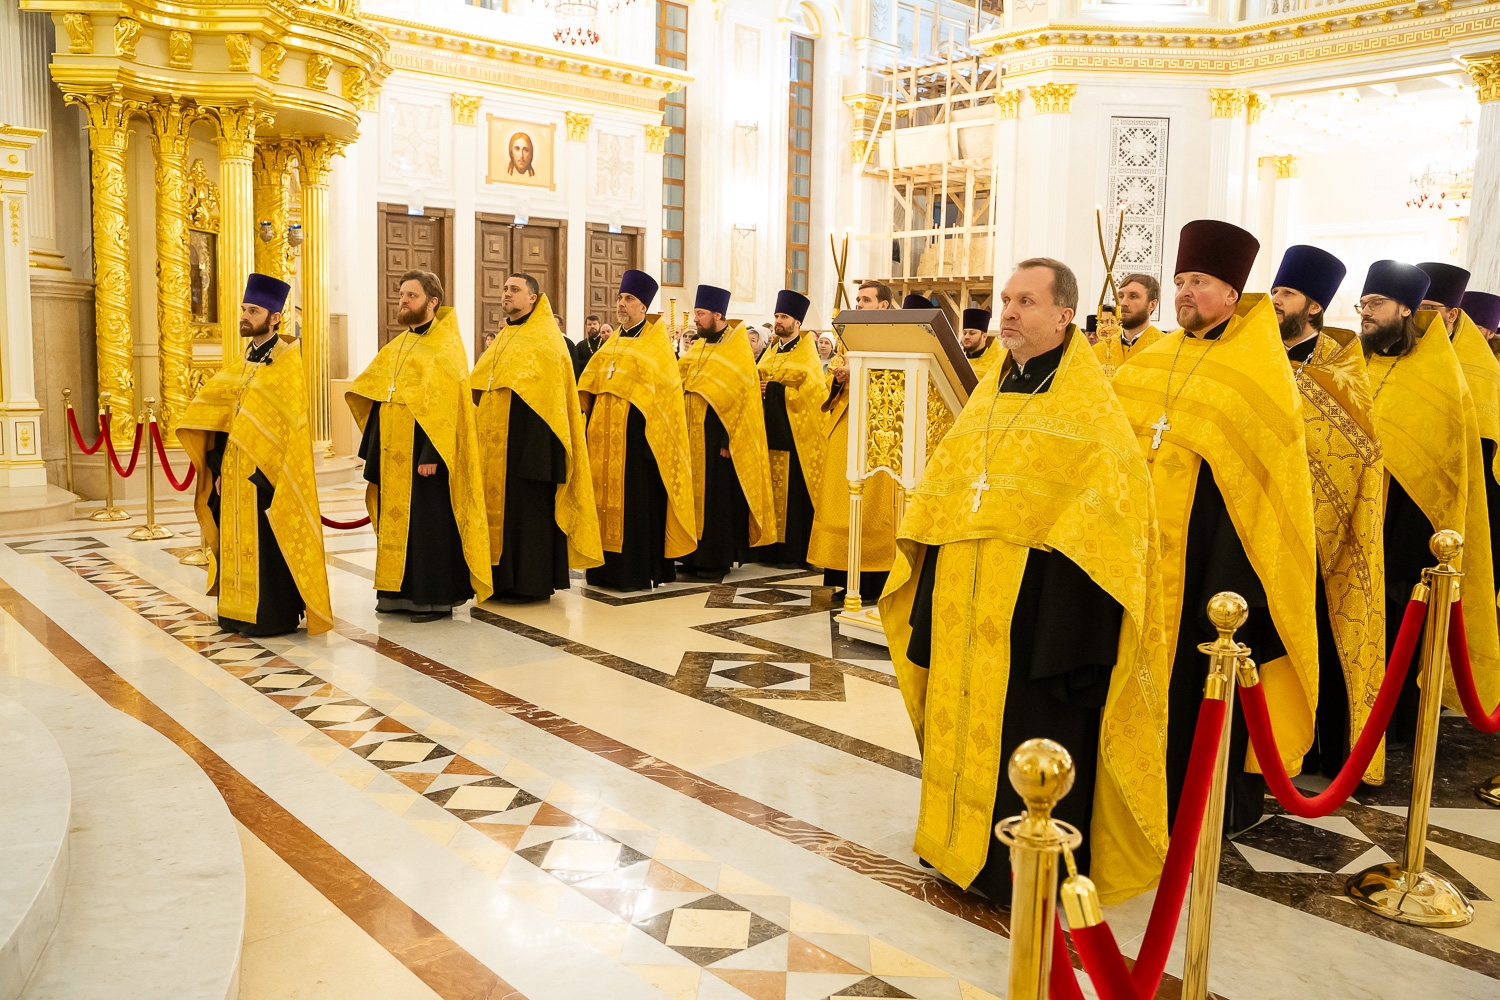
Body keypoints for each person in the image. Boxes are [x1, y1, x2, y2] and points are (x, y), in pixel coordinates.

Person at [881, 257, 1167, 906]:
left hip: (1039, 619)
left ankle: (1021, 870)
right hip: (965, 603)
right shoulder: (990, 394)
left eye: (1025, 302)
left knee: (1026, 735)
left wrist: (1062, 630)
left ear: (1065, 316)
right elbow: (950, 492)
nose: (1007, 312)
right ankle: (953, 845)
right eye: (1006, 299)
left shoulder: (1091, 410)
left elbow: (1108, 526)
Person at [1113, 221, 1318, 834]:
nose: (1183, 293)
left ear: (1232, 293)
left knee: (1198, 686)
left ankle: (1201, 803)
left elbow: (1266, 485)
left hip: (1214, 564)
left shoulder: (1259, 369)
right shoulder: (1150, 358)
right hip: (1140, 555)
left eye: (1198, 282)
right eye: (1178, 282)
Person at [1360, 261, 1500, 738]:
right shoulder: (1365, 360)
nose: (1366, 313)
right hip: (1359, 519)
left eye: (1431, 309)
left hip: (1410, 528)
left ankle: (1395, 726)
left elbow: (1457, 466)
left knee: (1402, 621)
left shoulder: (1456, 376)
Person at [1270, 245, 1387, 782]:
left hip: (1325, 532)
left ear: (1313, 307)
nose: (1274, 301)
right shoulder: (1256, 356)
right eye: (1273, 291)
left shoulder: (1341, 367)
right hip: (1266, 521)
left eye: (1286, 294)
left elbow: (1362, 449)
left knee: (1321, 626)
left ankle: (1320, 750)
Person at [178, 273, 333, 638]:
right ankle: (234, 613)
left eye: (253, 310)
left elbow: (288, 429)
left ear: (275, 317)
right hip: (230, 472)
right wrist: (215, 467)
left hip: (265, 474)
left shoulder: (286, 365)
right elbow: (219, 422)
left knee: (267, 548)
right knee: (235, 544)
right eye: (244, 309)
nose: (244, 316)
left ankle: (270, 616)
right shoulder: (241, 364)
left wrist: (264, 472)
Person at [348, 270, 492, 622]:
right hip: (393, 451)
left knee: (429, 527)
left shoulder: (445, 347)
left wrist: (431, 454)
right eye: (402, 294)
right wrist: (374, 449)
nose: (403, 300)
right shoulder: (397, 346)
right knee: (398, 525)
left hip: (427, 456)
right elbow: (380, 395)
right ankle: (396, 594)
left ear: (432, 302)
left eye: (411, 295)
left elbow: (445, 406)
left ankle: (433, 599)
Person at [468, 273, 603, 602]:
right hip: (494, 452)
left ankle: (530, 584)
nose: (506, 294)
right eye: (504, 288)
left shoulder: (546, 339)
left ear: (533, 298)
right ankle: (499, 580)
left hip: (531, 451)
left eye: (515, 289)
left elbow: (553, 401)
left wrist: (538, 457)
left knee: (528, 520)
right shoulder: (503, 338)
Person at [577, 269, 697, 590]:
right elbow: (591, 381)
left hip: (637, 443)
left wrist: (647, 439)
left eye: (628, 299)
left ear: (643, 306)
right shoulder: (611, 343)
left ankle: (634, 572)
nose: (621, 304)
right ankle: (602, 570)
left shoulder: (655, 345)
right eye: (619, 298)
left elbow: (666, 396)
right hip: (602, 442)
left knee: (635, 507)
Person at [809, 279, 903, 602]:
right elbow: (834, 372)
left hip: (879, 432)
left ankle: (873, 580)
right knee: (841, 501)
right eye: (858, 299)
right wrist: (838, 377)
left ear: (884, 306)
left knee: (873, 505)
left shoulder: (896, 338)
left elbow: (895, 378)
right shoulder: (850, 337)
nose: (859, 304)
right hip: (847, 426)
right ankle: (842, 574)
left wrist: (856, 373)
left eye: (865, 299)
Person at [679, 284, 777, 578]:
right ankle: (691, 555)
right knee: (692, 495)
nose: (696, 319)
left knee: (716, 501)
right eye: (696, 313)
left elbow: (742, 398)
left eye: (701, 313)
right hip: (691, 435)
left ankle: (714, 559)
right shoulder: (700, 345)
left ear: (717, 314)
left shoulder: (736, 349)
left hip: (718, 440)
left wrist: (727, 439)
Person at [1419, 262, 1500, 601]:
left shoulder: (1480, 370)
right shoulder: (1409, 353)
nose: (1419, 317)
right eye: (1417, 308)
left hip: (1463, 488)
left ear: (1452, 314)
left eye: (1429, 309)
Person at [752, 289, 825, 568]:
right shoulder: (770, 352)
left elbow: (814, 395)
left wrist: (773, 389)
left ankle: (793, 551)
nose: (779, 321)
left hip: (794, 437)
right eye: (777, 316)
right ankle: (768, 548)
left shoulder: (808, 354)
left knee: (793, 497)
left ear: (797, 323)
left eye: (784, 317)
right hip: (768, 432)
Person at [1095, 273, 1165, 377]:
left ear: (1152, 305)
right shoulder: (1098, 351)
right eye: (1120, 296)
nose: (1123, 303)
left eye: (1133, 296)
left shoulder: (1165, 348)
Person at [960, 307, 998, 379]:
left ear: (984, 337)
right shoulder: (956, 360)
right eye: (964, 333)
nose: (966, 337)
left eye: (972, 333)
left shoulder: (996, 362)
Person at [571, 315, 608, 379]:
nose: (592, 326)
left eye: (594, 324)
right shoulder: (580, 345)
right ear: (586, 327)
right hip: (585, 379)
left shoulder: (606, 343)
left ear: (600, 325)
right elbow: (575, 364)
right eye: (589, 324)